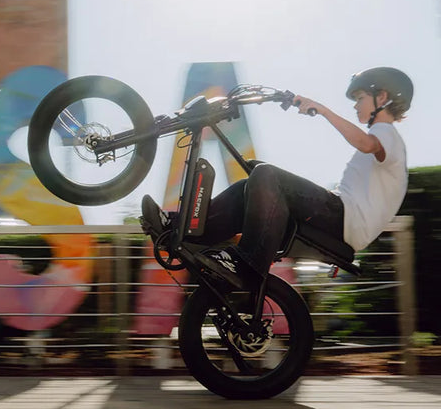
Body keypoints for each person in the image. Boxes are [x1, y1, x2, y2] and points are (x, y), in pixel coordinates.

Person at [140, 67, 412, 289]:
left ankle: (246, 263)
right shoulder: (384, 138)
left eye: (360, 98)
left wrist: (323, 110)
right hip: (344, 219)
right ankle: (177, 228)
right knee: (248, 187)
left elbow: (366, 144)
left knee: (267, 174)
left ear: (383, 97)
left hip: (344, 218)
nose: (355, 106)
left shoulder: (386, 134)